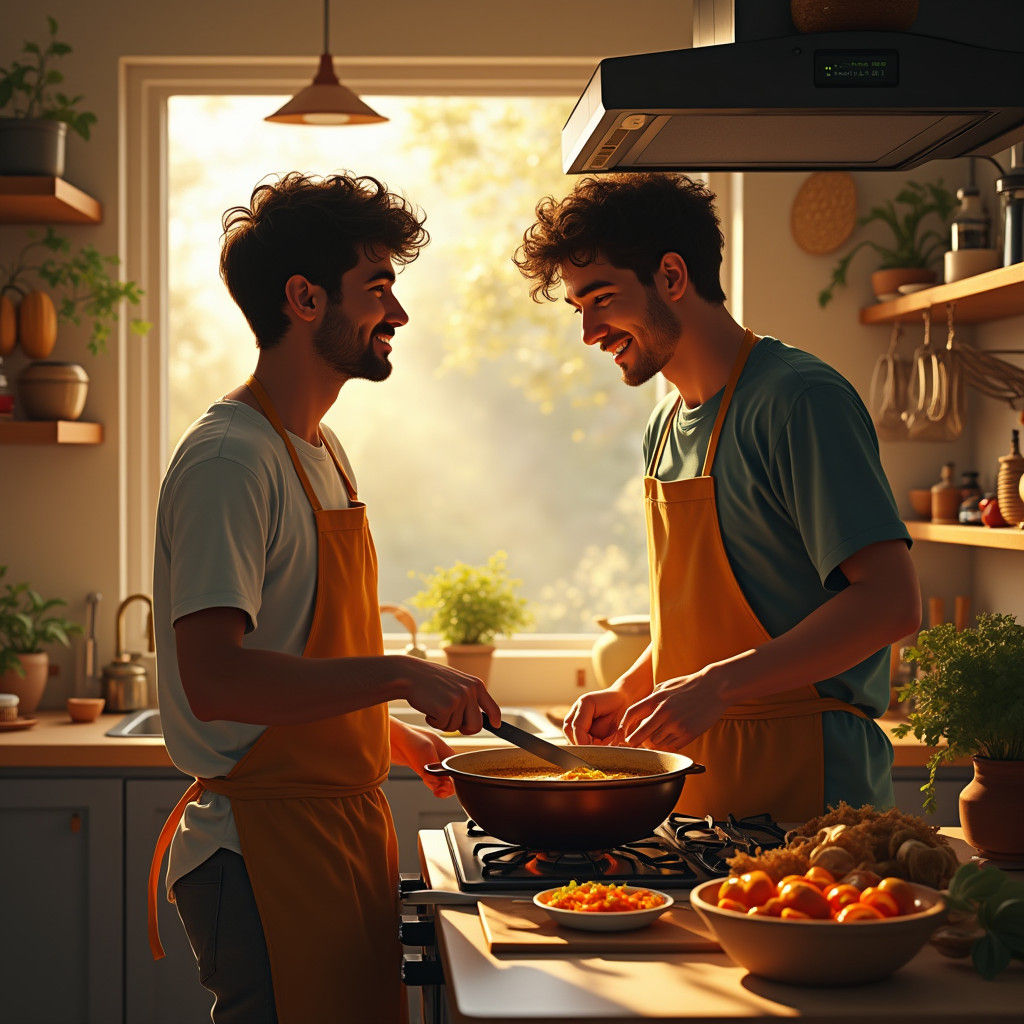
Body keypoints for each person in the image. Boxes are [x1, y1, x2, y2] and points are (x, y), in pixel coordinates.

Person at [148, 172, 500, 1024]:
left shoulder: (321, 447)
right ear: (305, 299)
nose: (398, 313)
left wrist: (385, 732)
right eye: (377, 289)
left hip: (336, 831)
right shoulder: (231, 460)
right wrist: (400, 675)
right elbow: (218, 681)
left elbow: (294, 648)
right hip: (260, 853)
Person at [513, 172, 920, 824]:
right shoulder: (665, 425)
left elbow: (891, 604)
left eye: (602, 299)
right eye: (578, 308)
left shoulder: (799, 400)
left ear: (672, 276)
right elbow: (706, 621)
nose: (588, 331)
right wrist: (631, 689)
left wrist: (719, 685)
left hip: (813, 795)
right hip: (698, 800)